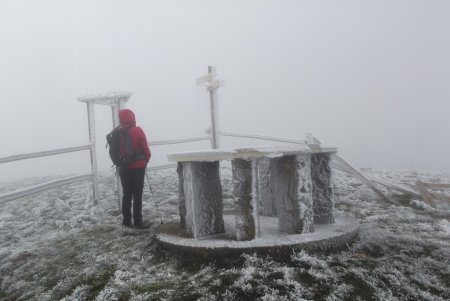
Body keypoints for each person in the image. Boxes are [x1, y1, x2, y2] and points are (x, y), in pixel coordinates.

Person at [118, 109, 151, 229]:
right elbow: (146, 149)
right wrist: (145, 160)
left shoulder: (118, 133)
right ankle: (138, 222)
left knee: (127, 194)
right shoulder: (137, 130)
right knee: (137, 195)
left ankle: (126, 222)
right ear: (132, 118)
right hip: (138, 167)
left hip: (123, 168)